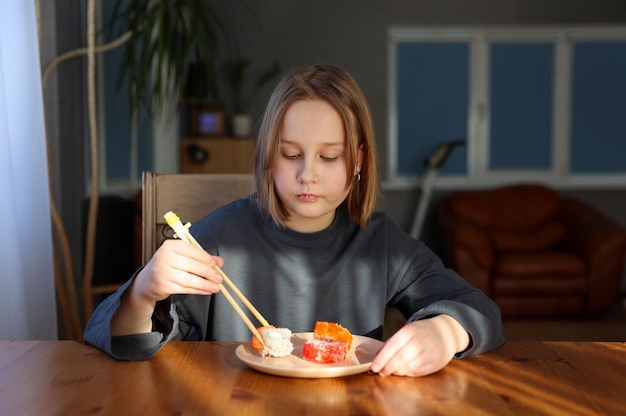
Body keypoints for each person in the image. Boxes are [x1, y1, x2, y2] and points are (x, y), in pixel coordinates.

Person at [84, 64, 504, 377]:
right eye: (290, 154)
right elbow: (118, 338)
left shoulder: (380, 243)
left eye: (328, 156)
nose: (308, 173)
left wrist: (447, 333)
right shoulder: (216, 238)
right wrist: (142, 292)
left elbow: (479, 309)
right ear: (269, 156)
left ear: (358, 160)